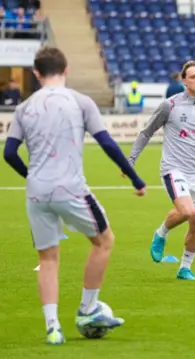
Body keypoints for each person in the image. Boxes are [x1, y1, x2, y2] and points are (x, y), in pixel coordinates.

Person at [2, 46, 147, 345]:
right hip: (70, 188)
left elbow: (9, 153)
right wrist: (134, 178)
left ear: (36, 73)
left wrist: (30, 176)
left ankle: (53, 328)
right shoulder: (80, 101)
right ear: (66, 70)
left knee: (48, 258)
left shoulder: (24, 107)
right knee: (104, 241)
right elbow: (106, 142)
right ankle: (88, 308)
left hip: (37, 193)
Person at [127, 60, 195, 280]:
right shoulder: (169, 106)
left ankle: (184, 268)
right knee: (186, 211)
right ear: (184, 80)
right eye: (193, 77)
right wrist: (131, 160)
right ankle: (161, 233)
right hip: (173, 168)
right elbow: (146, 133)